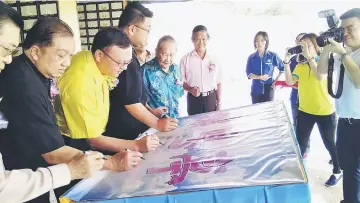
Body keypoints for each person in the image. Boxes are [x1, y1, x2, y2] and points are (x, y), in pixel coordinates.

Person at [0, 17, 128, 203]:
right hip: (20, 179)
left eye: (70, 55)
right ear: (35, 52)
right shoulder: (24, 84)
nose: (67, 63)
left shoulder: (33, 71)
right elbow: (53, 152)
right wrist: (110, 163)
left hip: (32, 173)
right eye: (60, 55)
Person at [56, 27, 159, 154]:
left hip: (95, 128)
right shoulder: (81, 85)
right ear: (99, 55)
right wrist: (137, 145)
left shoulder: (95, 61)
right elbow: (92, 140)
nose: (125, 68)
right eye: (120, 63)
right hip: (74, 140)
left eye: (128, 62)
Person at [105, 2, 178, 141]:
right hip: (123, 134)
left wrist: (150, 111)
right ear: (132, 29)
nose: (148, 36)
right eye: (147, 30)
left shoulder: (127, 51)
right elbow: (130, 101)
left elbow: (134, 94)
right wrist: (157, 123)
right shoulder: (121, 55)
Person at [284, 33, 342, 187]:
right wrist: (286, 61)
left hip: (325, 112)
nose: (303, 49)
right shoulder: (300, 66)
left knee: (330, 143)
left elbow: (320, 77)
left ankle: (337, 170)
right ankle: (298, 173)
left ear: (316, 47)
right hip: (305, 111)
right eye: (301, 46)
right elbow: (290, 81)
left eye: (307, 45)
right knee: (301, 144)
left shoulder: (326, 62)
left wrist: (309, 56)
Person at [316, 8, 360, 203]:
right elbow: (321, 72)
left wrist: (342, 53)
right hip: (344, 121)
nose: (346, 33)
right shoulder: (345, 51)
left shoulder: (347, 53)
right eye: (343, 30)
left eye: (351, 28)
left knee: (356, 171)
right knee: (348, 168)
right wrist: (327, 46)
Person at [180, 25, 222, 116]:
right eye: (197, 39)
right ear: (193, 40)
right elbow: (181, 83)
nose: (201, 42)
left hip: (211, 98)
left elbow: (219, 82)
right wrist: (190, 89)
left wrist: (219, 103)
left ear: (208, 39)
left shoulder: (214, 58)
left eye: (204, 39)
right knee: (195, 128)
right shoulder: (185, 60)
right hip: (194, 100)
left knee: (212, 127)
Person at [143, 35, 184, 118]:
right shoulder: (146, 71)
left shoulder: (175, 69)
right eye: (164, 54)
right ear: (157, 51)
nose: (168, 59)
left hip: (174, 119)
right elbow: (138, 101)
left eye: (172, 55)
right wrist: (151, 111)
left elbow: (177, 95)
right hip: (154, 121)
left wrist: (179, 114)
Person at [246, 31, 284, 104]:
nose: (259, 43)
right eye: (257, 41)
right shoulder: (251, 57)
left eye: (262, 40)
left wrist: (275, 81)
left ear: (266, 42)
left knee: (268, 111)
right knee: (256, 111)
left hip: (269, 88)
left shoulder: (273, 56)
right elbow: (249, 74)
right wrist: (260, 77)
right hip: (256, 89)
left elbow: (282, 69)